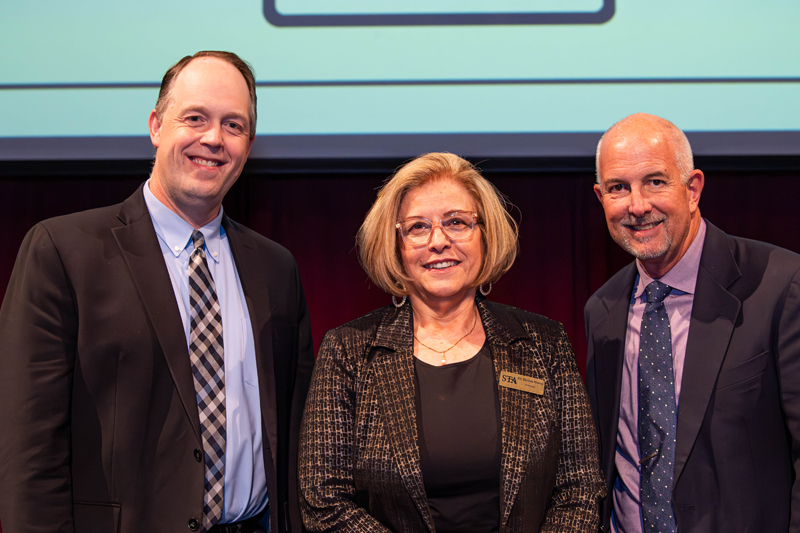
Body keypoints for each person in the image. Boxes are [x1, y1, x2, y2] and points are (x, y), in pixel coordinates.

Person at [0, 51, 314, 533]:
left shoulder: (276, 268)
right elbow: (27, 448)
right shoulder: (63, 251)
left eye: (234, 125)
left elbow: (293, 437)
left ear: (248, 146)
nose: (213, 138)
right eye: (195, 118)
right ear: (155, 126)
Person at [299, 152, 604, 532]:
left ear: (485, 235)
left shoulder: (544, 343)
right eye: (417, 228)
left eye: (457, 222)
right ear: (395, 245)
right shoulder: (348, 351)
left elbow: (580, 488)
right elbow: (323, 500)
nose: (438, 241)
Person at [585, 113, 800, 532]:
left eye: (655, 182)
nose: (637, 205)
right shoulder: (602, 310)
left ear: (693, 188)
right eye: (618, 188)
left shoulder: (782, 284)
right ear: (600, 198)